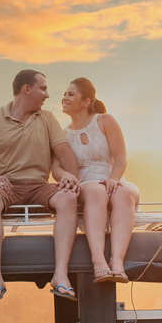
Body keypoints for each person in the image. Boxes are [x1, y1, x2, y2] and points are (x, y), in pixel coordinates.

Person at [0, 69, 82, 303]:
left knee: (68, 198)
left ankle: (60, 275)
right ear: (26, 89)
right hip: (6, 187)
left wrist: (70, 176)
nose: (47, 95)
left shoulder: (47, 118)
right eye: (43, 89)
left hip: (39, 186)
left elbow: (64, 153)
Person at [60, 77, 141, 284]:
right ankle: (98, 261)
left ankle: (117, 262)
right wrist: (66, 177)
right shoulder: (63, 134)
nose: (64, 98)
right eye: (65, 94)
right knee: (96, 191)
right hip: (86, 182)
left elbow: (121, 156)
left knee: (123, 191)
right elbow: (56, 167)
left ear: (86, 102)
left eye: (70, 94)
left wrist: (113, 178)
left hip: (112, 176)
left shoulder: (105, 121)